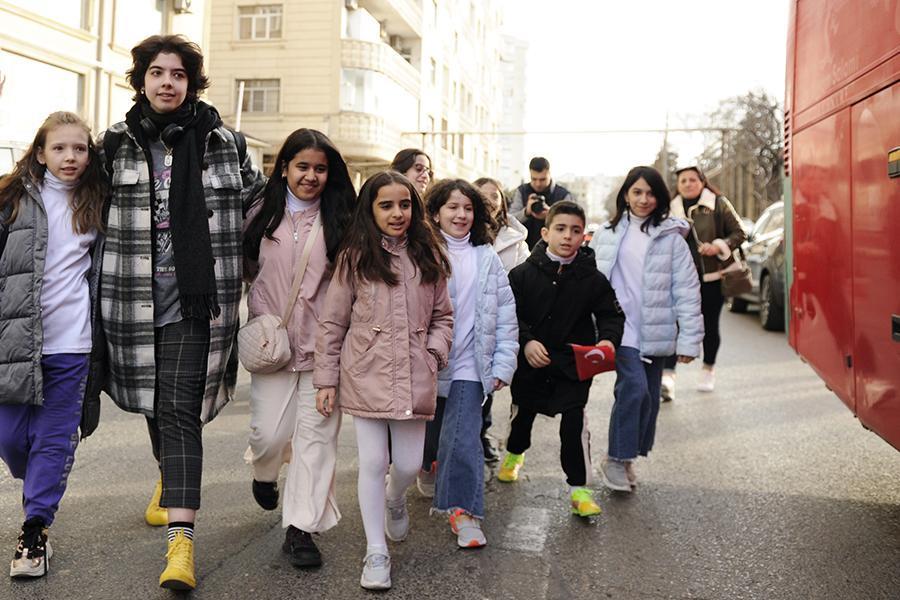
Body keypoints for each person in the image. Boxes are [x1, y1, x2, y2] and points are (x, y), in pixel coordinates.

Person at [98, 35, 265, 590]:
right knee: (156, 405)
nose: (167, 82)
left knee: (176, 409)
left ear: (191, 83)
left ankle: (181, 544)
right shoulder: (115, 144)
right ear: (141, 80)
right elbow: (80, 210)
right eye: (157, 72)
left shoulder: (226, 143)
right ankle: (169, 474)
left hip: (197, 301)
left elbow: (263, 207)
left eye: (178, 74)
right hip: (131, 300)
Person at [313, 171, 453, 590]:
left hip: (414, 374)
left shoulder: (429, 255)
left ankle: (395, 497)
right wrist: (326, 380)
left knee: (408, 464)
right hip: (365, 374)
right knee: (373, 462)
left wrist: (433, 352)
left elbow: (443, 317)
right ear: (370, 210)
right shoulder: (355, 258)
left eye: (404, 205)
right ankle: (376, 551)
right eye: (386, 205)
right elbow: (333, 322)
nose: (397, 213)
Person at [242, 129, 356, 567]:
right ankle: (265, 473)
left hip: (325, 349)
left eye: (320, 169)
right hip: (271, 345)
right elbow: (244, 268)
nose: (311, 176)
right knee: (267, 435)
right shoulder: (260, 213)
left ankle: (301, 529)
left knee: (317, 441)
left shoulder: (343, 218)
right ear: (284, 168)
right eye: (302, 166)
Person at [0, 112, 107, 579]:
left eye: (80, 148)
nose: (70, 157)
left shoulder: (98, 201)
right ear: (40, 153)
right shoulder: (11, 198)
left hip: (71, 343)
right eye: (59, 148)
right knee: (9, 438)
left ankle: (34, 531)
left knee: (53, 438)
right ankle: (42, 479)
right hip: (14, 340)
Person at [497, 201, 624, 517]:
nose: (568, 236)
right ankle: (514, 452)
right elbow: (509, 316)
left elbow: (610, 314)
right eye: (561, 228)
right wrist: (526, 342)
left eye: (576, 230)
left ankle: (579, 489)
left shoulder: (592, 278)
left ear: (584, 236)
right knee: (522, 419)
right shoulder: (522, 275)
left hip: (573, 365)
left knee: (574, 425)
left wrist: (607, 340)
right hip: (532, 365)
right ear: (545, 233)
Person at [590, 166, 702, 492]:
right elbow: (588, 283)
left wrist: (689, 341)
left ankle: (627, 457)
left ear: (660, 198)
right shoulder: (606, 234)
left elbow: (687, 291)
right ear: (625, 195)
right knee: (634, 389)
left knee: (649, 398)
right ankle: (615, 458)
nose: (643, 199)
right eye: (637, 192)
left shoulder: (673, 239)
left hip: (655, 330)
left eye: (650, 193)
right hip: (619, 328)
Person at [424, 179, 518, 548]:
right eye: (453, 207)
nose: (461, 214)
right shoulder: (421, 253)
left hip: (470, 365)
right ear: (435, 213)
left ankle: (464, 512)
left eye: (468, 208)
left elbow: (505, 315)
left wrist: (502, 365)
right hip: (426, 365)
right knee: (426, 444)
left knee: (463, 439)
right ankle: (422, 470)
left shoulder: (487, 257)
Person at [663, 166, 745, 397]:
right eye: (683, 181)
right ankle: (667, 377)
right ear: (678, 185)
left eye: (692, 180)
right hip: (677, 278)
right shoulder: (669, 209)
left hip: (711, 278)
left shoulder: (718, 203)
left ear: (702, 182)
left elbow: (739, 232)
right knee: (673, 326)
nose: (688, 184)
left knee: (709, 326)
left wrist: (718, 246)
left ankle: (708, 369)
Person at [475, 176, 528, 462]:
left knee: (490, 380)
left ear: (503, 202)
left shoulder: (516, 239)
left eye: (494, 196)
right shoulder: (463, 229)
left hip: (501, 319)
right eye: (482, 195)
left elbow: (525, 280)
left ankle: (483, 434)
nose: (489, 201)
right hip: (468, 318)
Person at [508, 156, 576, 249]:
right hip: (523, 249)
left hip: (555, 249)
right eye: (534, 179)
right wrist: (526, 212)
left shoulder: (563, 195)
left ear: (549, 174)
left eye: (542, 179)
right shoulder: (521, 191)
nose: (538, 184)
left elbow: (572, 223)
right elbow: (510, 220)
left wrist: (551, 215)